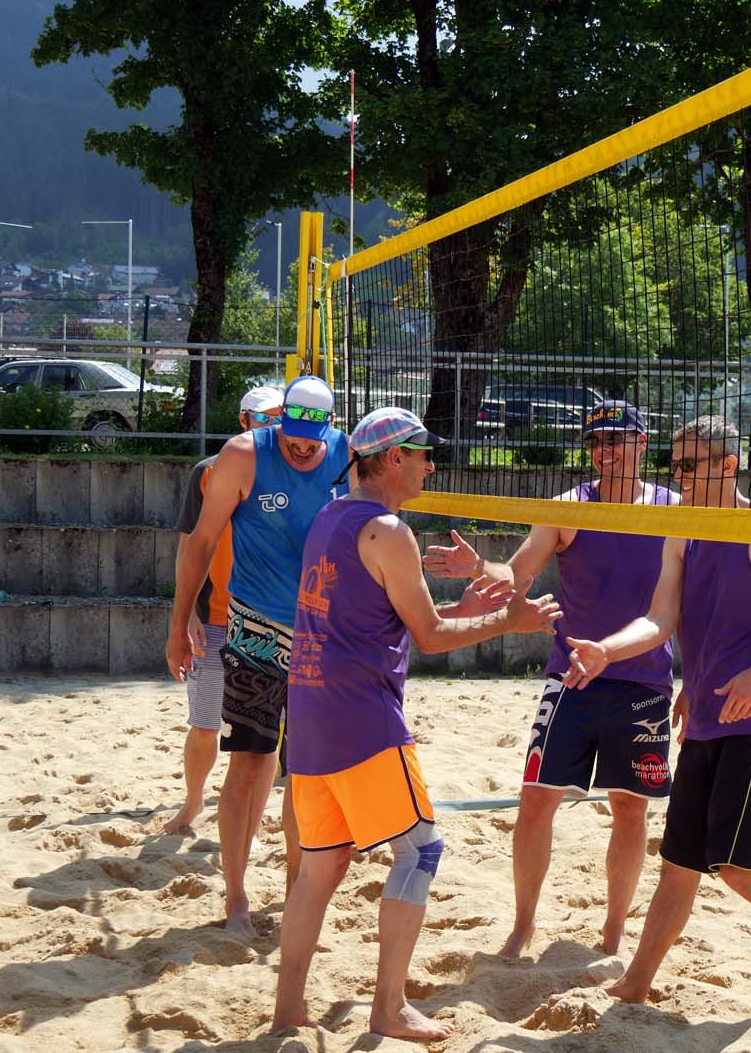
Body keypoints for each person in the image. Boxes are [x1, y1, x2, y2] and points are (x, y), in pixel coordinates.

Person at [273, 406, 562, 1042]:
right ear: (394, 457)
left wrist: (463, 607)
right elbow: (429, 637)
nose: (431, 466)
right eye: (424, 454)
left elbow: (385, 620)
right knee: (420, 850)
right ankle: (389, 1008)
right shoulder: (387, 530)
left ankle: (287, 1010)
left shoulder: (330, 517)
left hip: (312, 712)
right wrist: (507, 622)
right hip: (362, 717)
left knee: (320, 867)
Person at [564, 415, 751, 1026]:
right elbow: (660, 619)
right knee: (678, 865)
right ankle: (636, 983)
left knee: (739, 869)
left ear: (728, 465)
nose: (678, 475)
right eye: (674, 464)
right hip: (704, 713)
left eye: (690, 464)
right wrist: (608, 650)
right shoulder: (683, 530)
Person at [423, 399, 678, 959]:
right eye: (596, 442)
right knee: (536, 801)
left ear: (642, 443)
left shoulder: (675, 511)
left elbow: (691, 604)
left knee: (630, 808)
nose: (606, 450)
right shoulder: (568, 508)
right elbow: (516, 574)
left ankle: (614, 931)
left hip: (644, 681)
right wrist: (478, 568)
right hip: (572, 677)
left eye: (617, 439)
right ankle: (523, 926)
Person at [165, 375, 351, 938]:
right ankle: (236, 895)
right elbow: (200, 541)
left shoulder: (347, 455)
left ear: (328, 428)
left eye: (310, 440)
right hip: (255, 632)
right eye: (291, 436)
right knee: (247, 763)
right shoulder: (243, 455)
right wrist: (179, 623)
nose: (300, 447)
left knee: (307, 773)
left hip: (322, 635)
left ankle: (296, 892)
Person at [161, 386, 284, 834]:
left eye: (280, 417)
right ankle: (193, 802)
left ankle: (250, 824)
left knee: (260, 736)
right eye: (263, 418)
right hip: (215, 617)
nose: (272, 425)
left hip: (269, 623)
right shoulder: (209, 472)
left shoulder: (297, 474)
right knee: (205, 724)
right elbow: (189, 546)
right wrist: (187, 615)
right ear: (243, 420)